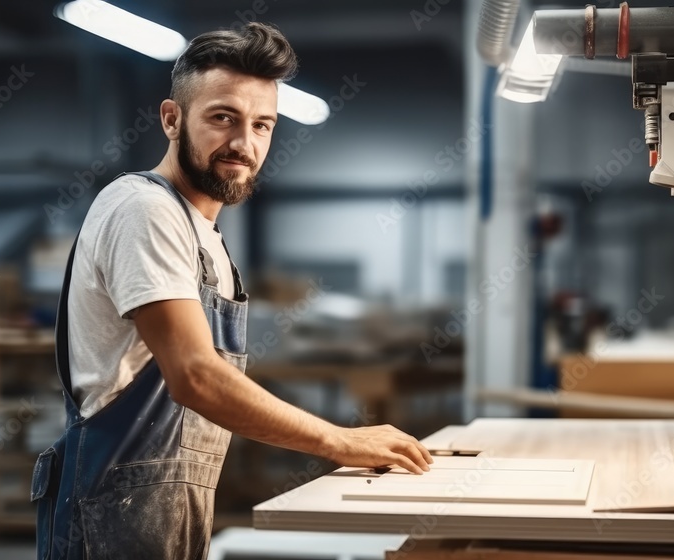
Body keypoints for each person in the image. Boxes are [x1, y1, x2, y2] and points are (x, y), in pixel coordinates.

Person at [32, 22, 433, 560]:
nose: (244, 144)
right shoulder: (143, 210)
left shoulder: (206, 237)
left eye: (262, 125)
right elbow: (196, 376)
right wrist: (341, 440)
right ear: (172, 119)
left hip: (165, 513)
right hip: (108, 518)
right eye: (223, 118)